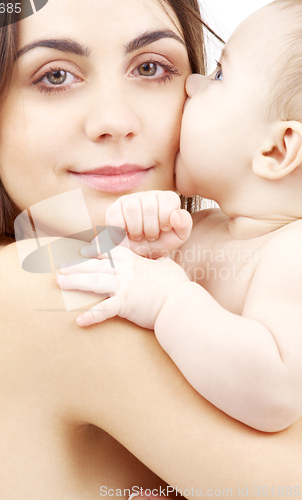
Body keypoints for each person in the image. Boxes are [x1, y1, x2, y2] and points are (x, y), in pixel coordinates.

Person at [0, 0, 302, 499]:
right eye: (55, 76)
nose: (114, 121)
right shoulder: (29, 287)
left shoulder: (199, 248)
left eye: (151, 68)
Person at [57, 0, 302, 436]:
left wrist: (169, 300)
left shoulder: (293, 253)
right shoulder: (204, 228)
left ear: (276, 150)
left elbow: (277, 396)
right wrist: (139, 243)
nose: (192, 83)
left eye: (221, 75)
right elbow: (121, 287)